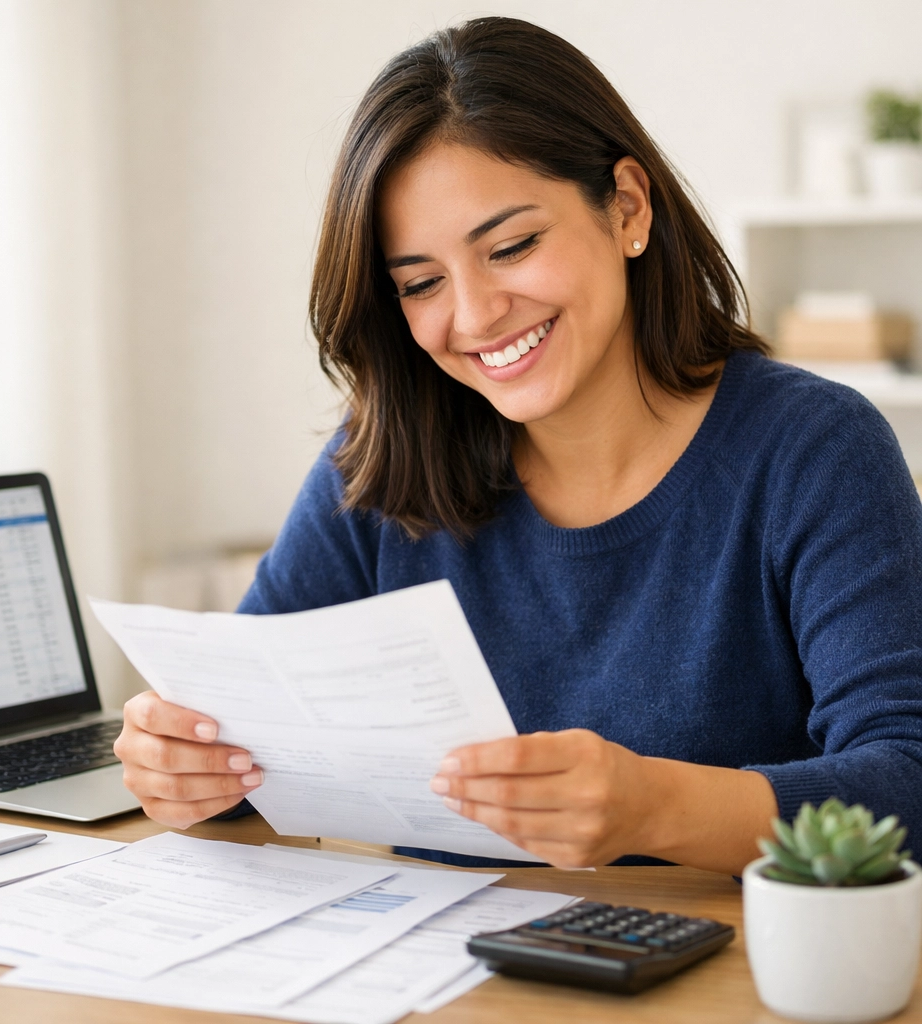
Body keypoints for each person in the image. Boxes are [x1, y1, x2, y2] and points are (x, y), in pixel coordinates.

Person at [113, 17, 922, 875]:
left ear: (628, 208)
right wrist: (185, 766)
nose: (474, 315)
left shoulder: (813, 451)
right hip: (439, 982)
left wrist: (653, 807)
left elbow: (905, 779)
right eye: (421, 283)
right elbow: (245, 741)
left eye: (511, 246)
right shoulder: (382, 460)